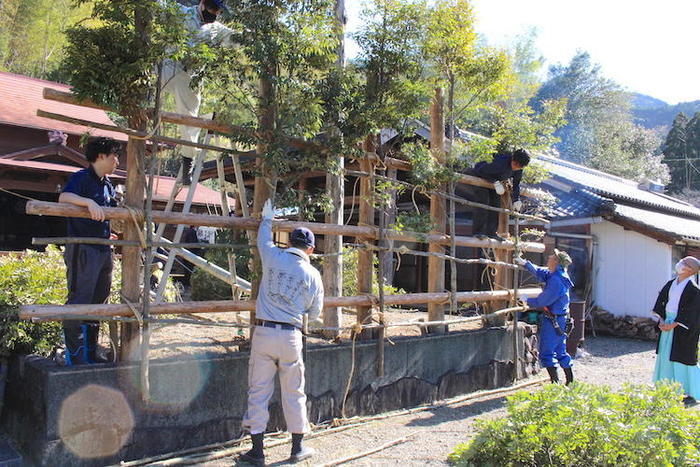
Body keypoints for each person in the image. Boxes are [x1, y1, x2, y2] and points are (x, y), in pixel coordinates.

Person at [240, 199, 324, 465]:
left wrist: (267, 219)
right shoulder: (313, 274)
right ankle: (297, 447)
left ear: (289, 242)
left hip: (263, 331)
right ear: (310, 248)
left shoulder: (272, 256)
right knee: (294, 391)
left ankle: (257, 451)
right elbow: (314, 312)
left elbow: (263, 239)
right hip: (291, 335)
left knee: (258, 391)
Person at [160, 0, 238, 184]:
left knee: (189, 119)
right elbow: (159, 5)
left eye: (217, 11)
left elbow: (239, 39)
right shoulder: (182, 13)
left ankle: (187, 161)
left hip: (191, 76)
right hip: (170, 64)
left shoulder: (216, 29)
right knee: (147, 77)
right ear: (202, 4)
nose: (214, 14)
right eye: (212, 9)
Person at [58, 137, 120, 365]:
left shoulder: (108, 184)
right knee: (79, 299)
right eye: (114, 155)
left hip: (103, 249)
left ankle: (91, 352)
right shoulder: (80, 178)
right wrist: (87, 202)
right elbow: (64, 197)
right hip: (82, 248)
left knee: (98, 301)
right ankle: (75, 357)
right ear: (101, 156)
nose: (117, 161)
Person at [515, 249, 574, 384]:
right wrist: (525, 264)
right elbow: (542, 272)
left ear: (556, 262)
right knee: (560, 350)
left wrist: (527, 300)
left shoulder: (556, 281)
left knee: (547, 352)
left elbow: (543, 301)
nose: (548, 257)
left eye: (551, 257)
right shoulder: (558, 274)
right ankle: (570, 382)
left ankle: (555, 383)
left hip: (554, 320)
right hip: (561, 318)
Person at [651, 256, 700, 405]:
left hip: (681, 328)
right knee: (665, 356)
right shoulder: (670, 283)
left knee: (682, 358)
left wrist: (675, 324)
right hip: (667, 322)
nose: (680, 263)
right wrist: (661, 320)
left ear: (690, 270)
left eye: (684, 263)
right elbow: (661, 302)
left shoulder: (694, 290)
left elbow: (692, 312)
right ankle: (665, 388)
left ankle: (689, 392)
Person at [464, 148, 530, 241]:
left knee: (496, 205)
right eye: (515, 165)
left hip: (495, 182)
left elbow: (516, 184)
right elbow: (479, 170)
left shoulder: (518, 169)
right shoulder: (500, 162)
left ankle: (491, 233)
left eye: (519, 167)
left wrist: (516, 199)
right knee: (483, 202)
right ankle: (478, 232)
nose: (516, 168)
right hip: (480, 177)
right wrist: (494, 182)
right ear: (513, 159)